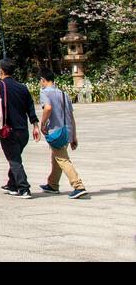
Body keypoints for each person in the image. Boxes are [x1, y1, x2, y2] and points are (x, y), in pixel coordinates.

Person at [0, 59, 40, 198]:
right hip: (23, 131)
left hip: (8, 130)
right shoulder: (22, 87)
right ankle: (12, 185)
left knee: (14, 160)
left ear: (1, 71)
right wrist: (36, 126)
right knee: (15, 157)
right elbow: (30, 108)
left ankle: (24, 188)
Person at [37, 68, 87, 199]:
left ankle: (78, 186)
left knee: (62, 159)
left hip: (55, 131)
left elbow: (48, 108)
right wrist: (74, 136)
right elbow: (71, 116)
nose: (40, 84)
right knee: (57, 157)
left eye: (40, 81)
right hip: (66, 131)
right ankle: (52, 184)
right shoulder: (63, 93)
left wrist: (42, 123)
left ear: (43, 80)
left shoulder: (44, 92)